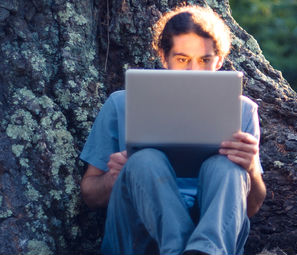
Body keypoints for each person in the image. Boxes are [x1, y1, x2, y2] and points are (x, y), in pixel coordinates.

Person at [79, 6, 266, 255]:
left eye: (204, 60)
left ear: (219, 60)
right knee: (144, 161)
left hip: (215, 236)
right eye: (182, 59)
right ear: (164, 57)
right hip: (138, 235)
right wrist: (116, 178)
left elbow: (250, 208)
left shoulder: (241, 111)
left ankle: (201, 251)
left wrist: (251, 168)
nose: (193, 71)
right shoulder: (121, 104)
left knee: (226, 167)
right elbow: (90, 194)